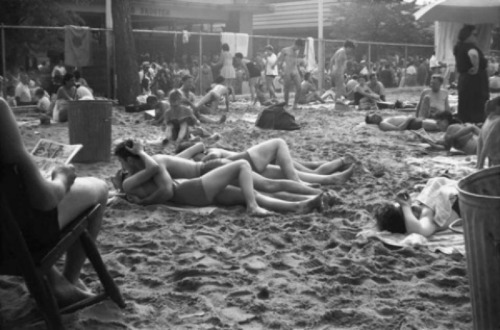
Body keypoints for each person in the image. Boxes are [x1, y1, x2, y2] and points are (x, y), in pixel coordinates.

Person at [0, 97, 108, 307]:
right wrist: (62, 178)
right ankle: (68, 282)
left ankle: (55, 280)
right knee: (100, 188)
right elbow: (45, 201)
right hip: (11, 242)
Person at [114, 140, 324, 215]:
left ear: (129, 161)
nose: (121, 168)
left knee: (261, 187)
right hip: (201, 181)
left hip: (204, 178)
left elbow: (159, 176)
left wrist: (141, 153)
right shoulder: (134, 178)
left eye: (122, 163)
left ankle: (304, 202)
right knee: (259, 184)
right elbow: (166, 186)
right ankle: (308, 195)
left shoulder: (150, 167)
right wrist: (143, 201)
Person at [178, 139, 356, 186]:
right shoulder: (207, 156)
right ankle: (298, 182)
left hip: (250, 170)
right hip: (249, 164)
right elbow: (214, 152)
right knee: (279, 143)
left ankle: (337, 172)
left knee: (308, 171)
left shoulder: (204, 161)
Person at [374, 177, 459, 237]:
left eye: (410, 205)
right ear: (407, 222)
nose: (413, 207)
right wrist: (405, 206)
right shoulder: (427, 216)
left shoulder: (421, 206)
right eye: (407, 212)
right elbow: (419, 231)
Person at [453, 24, 489, 123]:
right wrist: (476, 67)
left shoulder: (458, 46)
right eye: (474, 34)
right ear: (468, 35)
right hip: (475, 79)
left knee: (465, 102)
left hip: (464, 78)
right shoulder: (470, 46)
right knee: (477, 102)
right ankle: (477, 122)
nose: (476, 37)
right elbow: (473, 54)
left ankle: (465, 122)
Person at [277, 38, 305, 110]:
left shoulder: (297, 52)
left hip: (295, 70)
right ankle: (286, 104)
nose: (298, 49)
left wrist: (300, 72)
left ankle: (295, 104)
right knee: (287, 88)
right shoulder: (285, 50)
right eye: (298, 47)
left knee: (299, 88)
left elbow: (296, 62)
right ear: (295, 44)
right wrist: (280, 71)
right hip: (287, 70)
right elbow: (280, 61)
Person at [365, 113, 439, 132]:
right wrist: (409, 119)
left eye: (374, 114)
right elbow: (399, 129)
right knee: (439, 125)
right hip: (413, 124)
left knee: (438, 124)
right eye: (373, 118)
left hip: (414, 121)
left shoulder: (384, 120)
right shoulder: (382, 124)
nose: (376, 115)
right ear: (373, 123)